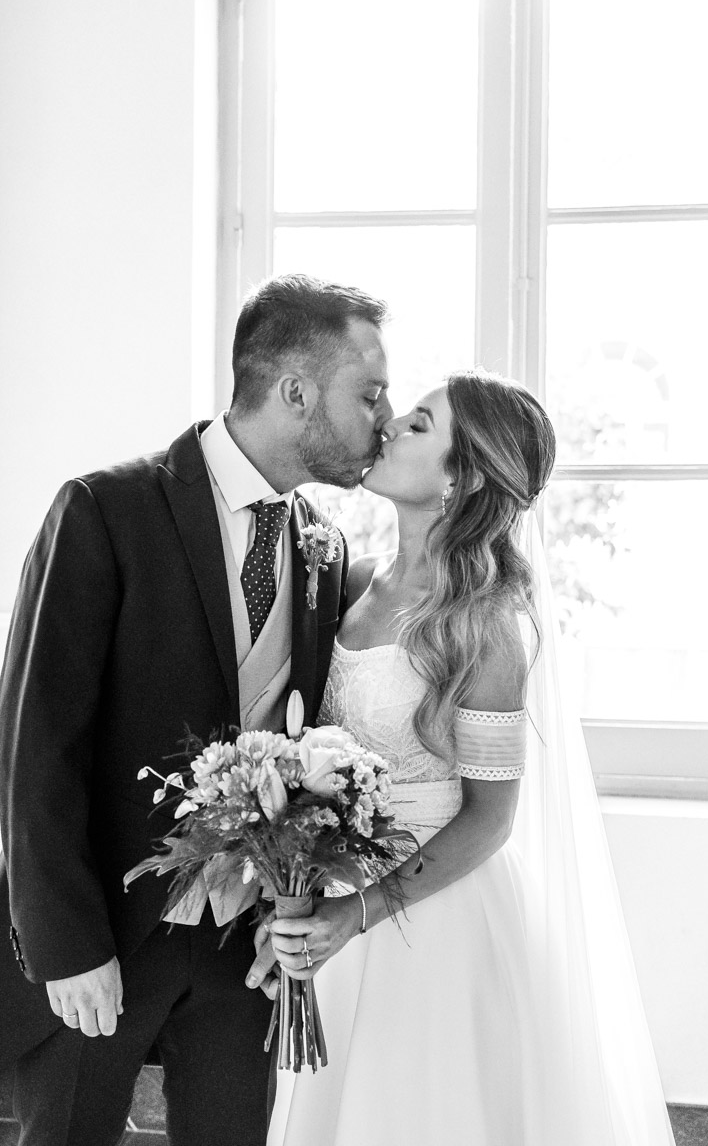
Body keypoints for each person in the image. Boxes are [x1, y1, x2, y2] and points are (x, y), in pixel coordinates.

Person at [0, 274, 393, 1146]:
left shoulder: (324, 544)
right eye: (369, 393)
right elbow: (37, 747)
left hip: (241, 953)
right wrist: (67, 946)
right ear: (295, 391)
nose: (384, 418)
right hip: (105, 938)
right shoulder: (105, 511)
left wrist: (292, 904)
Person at [252, 370, 676, 1146]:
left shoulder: (486, 623)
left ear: (463, 478)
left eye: (419, 424)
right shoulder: (352, 580)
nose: (389, 425)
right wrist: (295, 897)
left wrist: (359, 911)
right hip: (338, 909)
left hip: (435, 921)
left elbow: (491, 819)